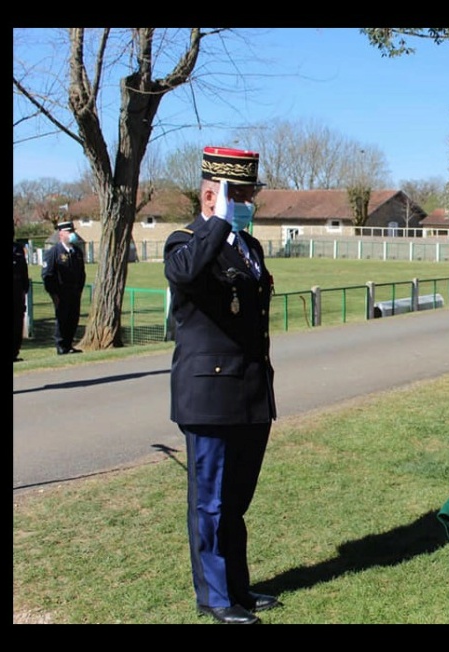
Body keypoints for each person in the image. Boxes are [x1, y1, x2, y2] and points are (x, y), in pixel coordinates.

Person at [163, 146, 281, 625]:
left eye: (251, 194)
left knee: (235, 500)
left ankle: (237, 587)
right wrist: (215, 223)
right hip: (209, 395)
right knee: (209, 501)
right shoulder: (185, 240)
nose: (250, 202)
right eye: (243, 194)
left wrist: (229, 231)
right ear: (214, 195)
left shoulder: (248, 248)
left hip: (250, 393)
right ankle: (214, 596)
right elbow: (185, 273)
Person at [41, 220, 86, 355]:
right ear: (61, 234)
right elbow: (47, 274)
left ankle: (69, 344)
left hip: (74, 292)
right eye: (69, 232)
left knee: (73, 318)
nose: (72, 234)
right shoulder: (54, 252)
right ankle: (61, 346)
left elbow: (81, 273)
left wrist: (79, 290)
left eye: (72, 231)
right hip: (61, 293)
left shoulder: (76, 252)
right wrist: (54, 294)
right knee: (62, 319)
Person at [13, 222, 30, 362]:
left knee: (18, 323)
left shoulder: (18, 249)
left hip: (17, 291)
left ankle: (14, 353)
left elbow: (24, 271)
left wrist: (25, 288)